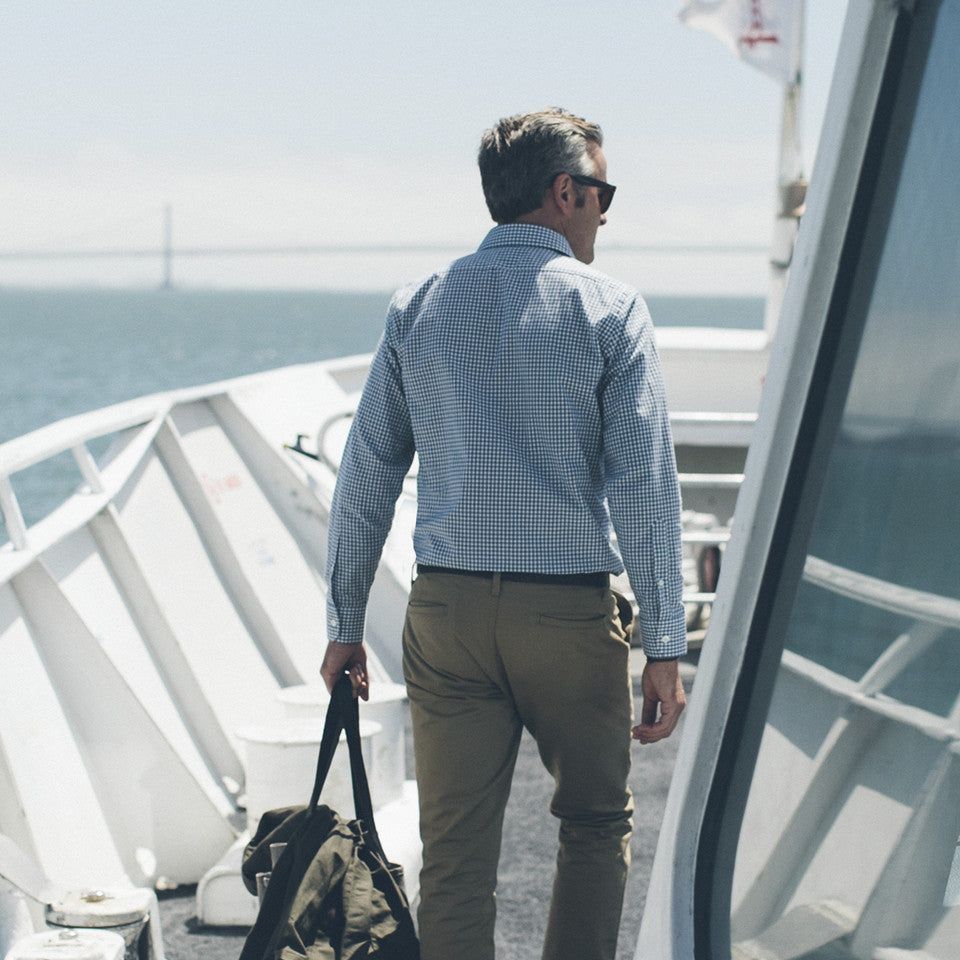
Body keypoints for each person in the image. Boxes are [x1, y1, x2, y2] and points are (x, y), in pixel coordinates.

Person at [320, 107, 687, 960]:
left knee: (455, 855)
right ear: (565, 193)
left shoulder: (418, 306)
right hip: (565, 619)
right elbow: (644, 489)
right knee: (594, 824)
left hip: (446, 616)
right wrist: (665, 645)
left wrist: (345, 623)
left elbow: (367, 475)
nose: (605, 214)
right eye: (602, 194)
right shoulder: (611, 310)